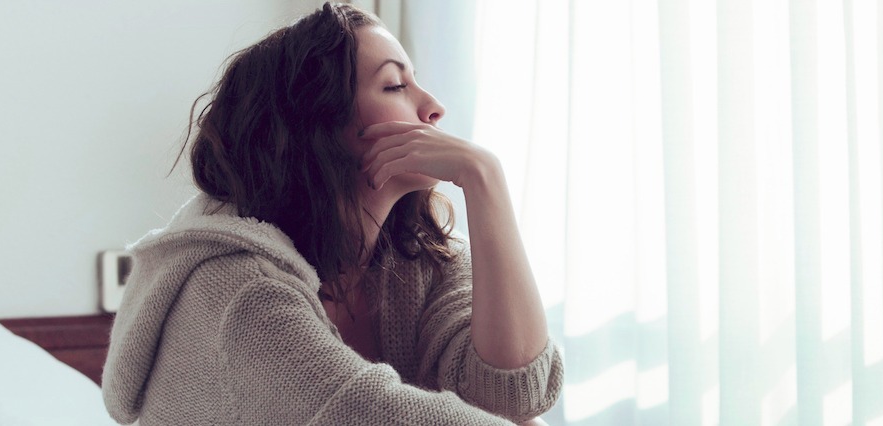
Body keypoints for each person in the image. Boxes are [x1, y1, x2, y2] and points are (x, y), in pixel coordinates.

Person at [101, 3, 563, 425]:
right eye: (395, 85)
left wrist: (486, 181)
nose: (433, 107)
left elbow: (513, 401)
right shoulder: (234, 286)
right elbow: (354, 412)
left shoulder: (421, 260)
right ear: (318, 126)